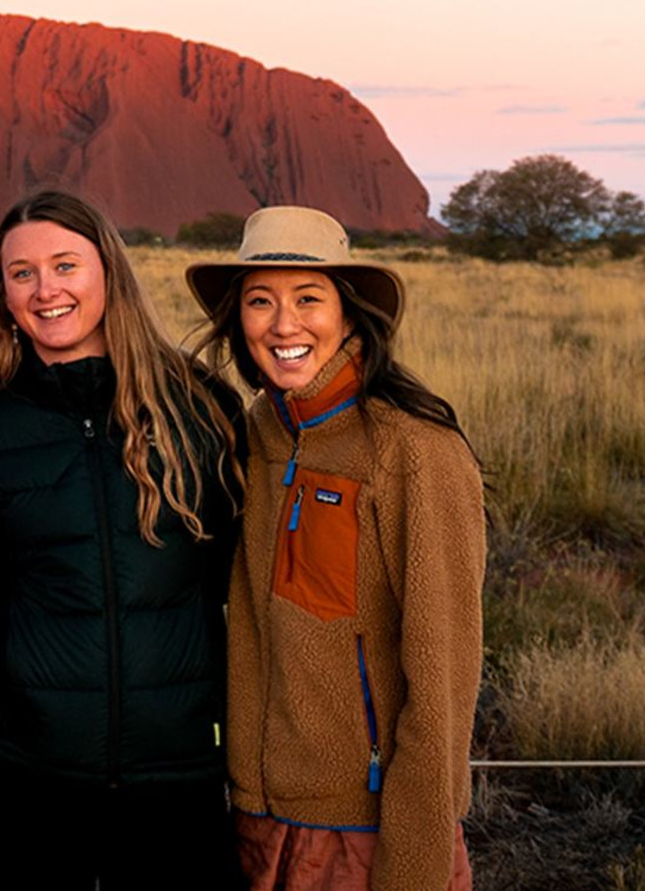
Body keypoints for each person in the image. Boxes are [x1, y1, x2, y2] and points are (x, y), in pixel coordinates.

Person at [0, 190, 245, 890]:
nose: (46, 289)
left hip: (179, 782)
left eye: (66, 265)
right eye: (22, 273)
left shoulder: (202, 410)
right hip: (28, 783)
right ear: (2, 295)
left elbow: (237, 594)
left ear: (108, 273)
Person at [186, 206, 485, 891]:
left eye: (308, 298)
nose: (283, 325)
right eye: (260, 301)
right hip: (257, 820)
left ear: (350, 315)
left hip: (365, 835)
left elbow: (442, 681)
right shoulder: (254, 434)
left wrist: (413, 863)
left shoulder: (412, 450)